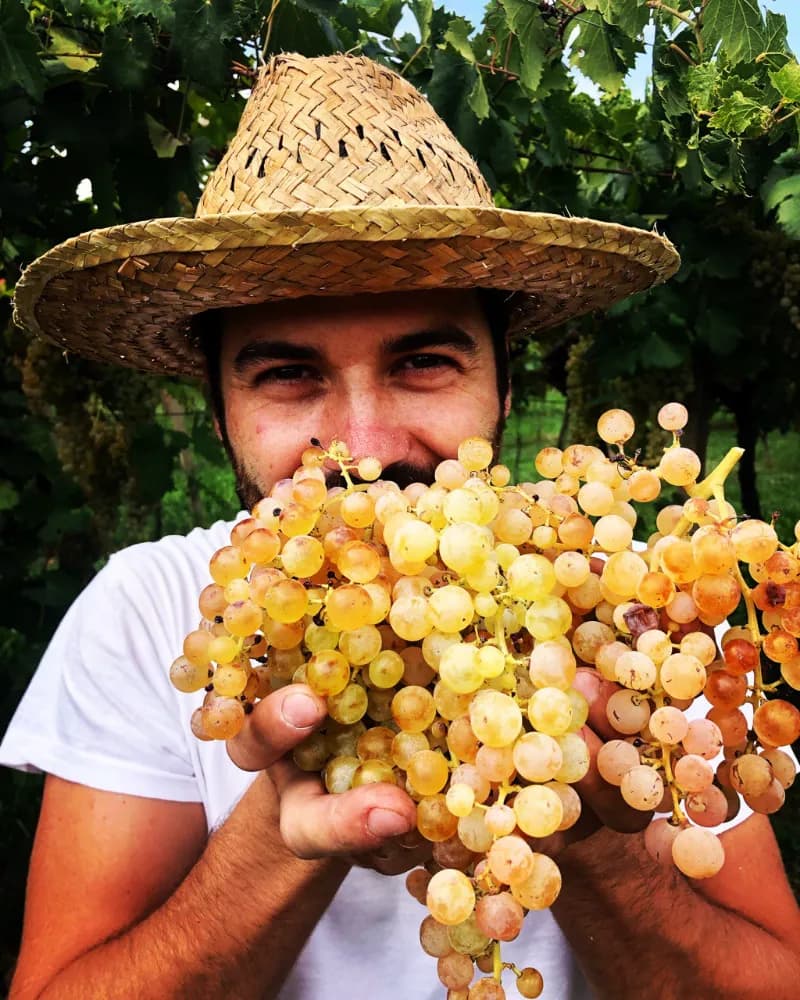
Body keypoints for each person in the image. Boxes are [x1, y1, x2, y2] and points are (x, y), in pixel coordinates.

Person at [3, 52, 800, 1000]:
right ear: (218, 411)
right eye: (288, 375)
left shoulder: (644, 617)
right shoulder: (153, 613)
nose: (364, 444)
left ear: (506, 383)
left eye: (423, 361)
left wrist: (589, 837)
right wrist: (279, 839)